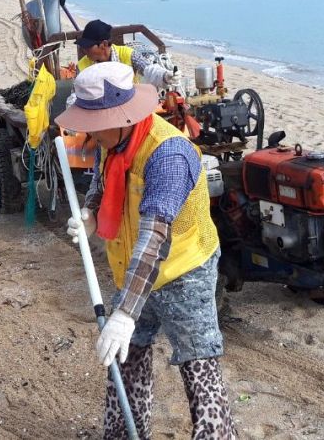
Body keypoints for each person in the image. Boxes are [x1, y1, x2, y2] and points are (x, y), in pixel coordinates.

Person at [56, 62, 236, 439]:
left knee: (198, 366)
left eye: (93, 121)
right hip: (133, 269)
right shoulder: (114, 141)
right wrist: (89, 213)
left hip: (185, 271)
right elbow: (103, 183)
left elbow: (155, 238)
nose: (86, 130)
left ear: (121, 116)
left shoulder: (168, 155)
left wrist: (124, 313)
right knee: (126, 359)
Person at [75, 19, 180, 89]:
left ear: (104, 44)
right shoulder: (82, 65)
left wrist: (165, 76)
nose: (84, 49)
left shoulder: (127, 54)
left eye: (88, 46)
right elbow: (76, 92)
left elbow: (148, 69)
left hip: (129, 105)